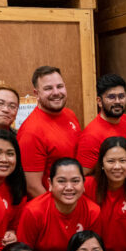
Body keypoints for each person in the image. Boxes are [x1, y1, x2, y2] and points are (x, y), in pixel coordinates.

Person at [17, 158, 101, 251]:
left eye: (75, 181)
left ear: (83, 183)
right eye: (61, 181)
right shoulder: (34, 211)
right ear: (50, 184)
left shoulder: (93, 211)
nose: (69, 187)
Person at [16, 65, 81, 196]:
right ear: (36, 93)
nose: (56, 92)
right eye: (48, 88)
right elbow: (32, 186)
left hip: (72, 200)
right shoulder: (31, 132)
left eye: (60, 86)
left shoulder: (70, 114)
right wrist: (57, 211)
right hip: (54, 207)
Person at [76, 74, 126, 174]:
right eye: (111, 97)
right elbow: (83, 178)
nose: (117, 101)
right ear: (99, 101)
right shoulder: (91, 136)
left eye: (121, 96)